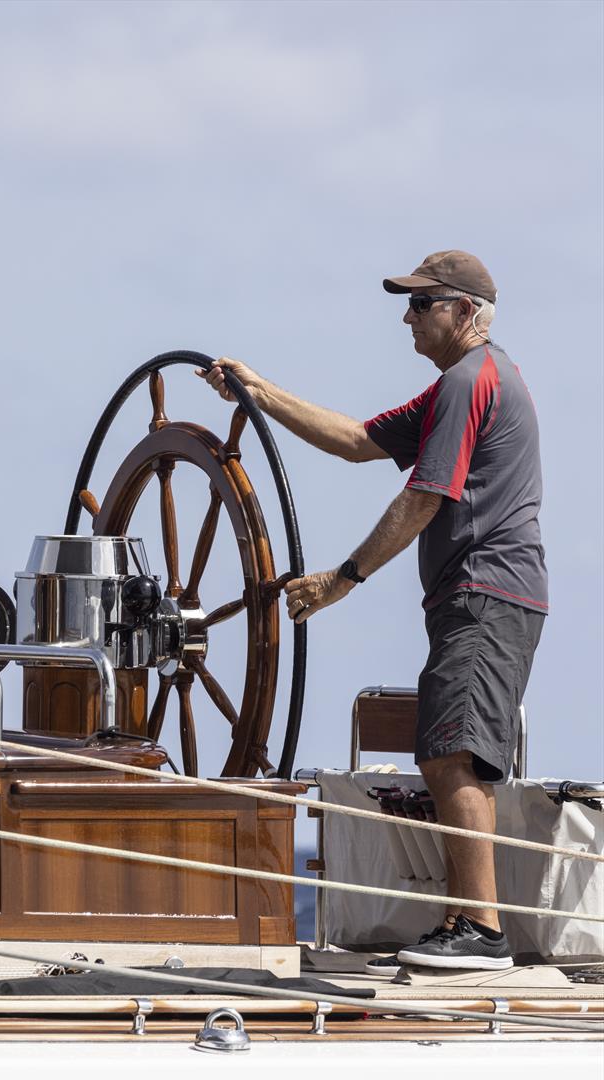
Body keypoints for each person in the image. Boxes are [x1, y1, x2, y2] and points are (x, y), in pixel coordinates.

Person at [198, 250, 548, 972]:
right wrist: (260, 392)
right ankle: (463, 919)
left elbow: (424, 496)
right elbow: (358, 441)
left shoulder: (467, 381)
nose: (407, 317)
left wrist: (343, 579)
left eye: (422, 304)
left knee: (454, 752)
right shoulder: (461, 385)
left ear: (466, 313)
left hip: (485, 591)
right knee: (449, 746)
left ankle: (480, 929)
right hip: (481, 593)